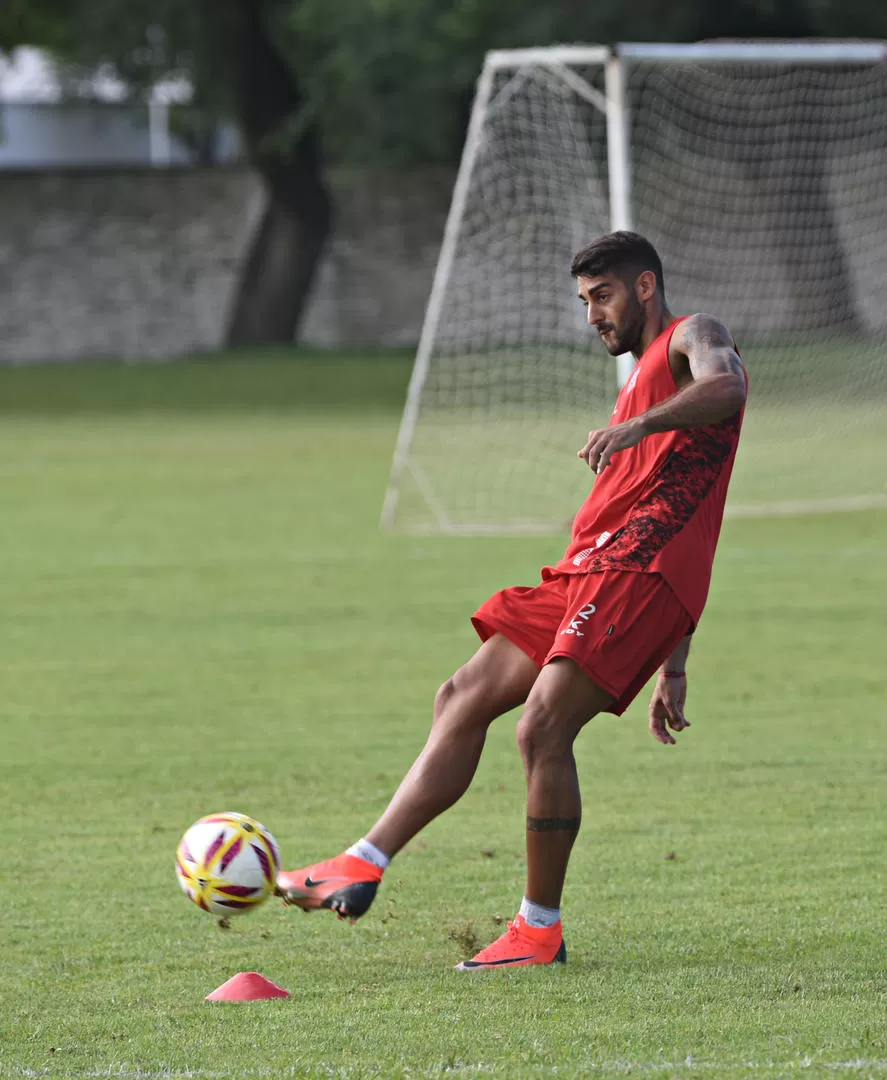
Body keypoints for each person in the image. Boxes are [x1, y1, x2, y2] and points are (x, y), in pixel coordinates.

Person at [278, 230, 748, 970]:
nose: (592, 313)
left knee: (540, 730)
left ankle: (538, 930)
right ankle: (362, 861)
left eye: (603, 295)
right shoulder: (636, 378)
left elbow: (728, 387)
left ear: (646, 287)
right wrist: (674, 661)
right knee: (460, 693)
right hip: (587, 570)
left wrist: (636, 425)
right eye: (583, 301)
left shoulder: (694, 337)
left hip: (636, 572)